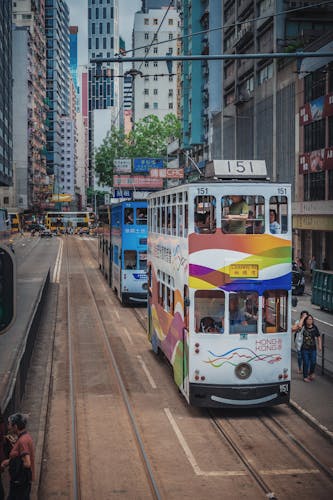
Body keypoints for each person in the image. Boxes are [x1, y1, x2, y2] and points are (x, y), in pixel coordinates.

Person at [1, 413, 35, 500]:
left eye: (9, 424)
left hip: (20, 482)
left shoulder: (22, 441)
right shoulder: (25, 437)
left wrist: (8, 462)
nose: (8, 426)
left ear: (15, 426)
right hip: (23, 481)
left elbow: (27, 463)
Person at [301, 314, 322, 382]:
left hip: (313, 349)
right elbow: (298, 326)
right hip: (304, 348)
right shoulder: (303, 327)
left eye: (311, 319)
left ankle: (311, 373)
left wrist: (320, 345)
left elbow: (318, 336)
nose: (310, 321)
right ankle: (305, 376)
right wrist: (303, 318)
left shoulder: (315, 327)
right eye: (308, 319)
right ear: (306, 320)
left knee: (313, 362)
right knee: (306, 362)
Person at [292, 310, 308, 374]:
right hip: (299, 342)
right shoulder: (298, 322)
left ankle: (306, 370)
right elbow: (298, 327)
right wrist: (303, 319)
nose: (304, 316)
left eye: (305, 315)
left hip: (306, 343)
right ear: (301, 316)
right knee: (300, 356)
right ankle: (299, 368)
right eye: (303, 315)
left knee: (306, 357)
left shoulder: (308, 322)